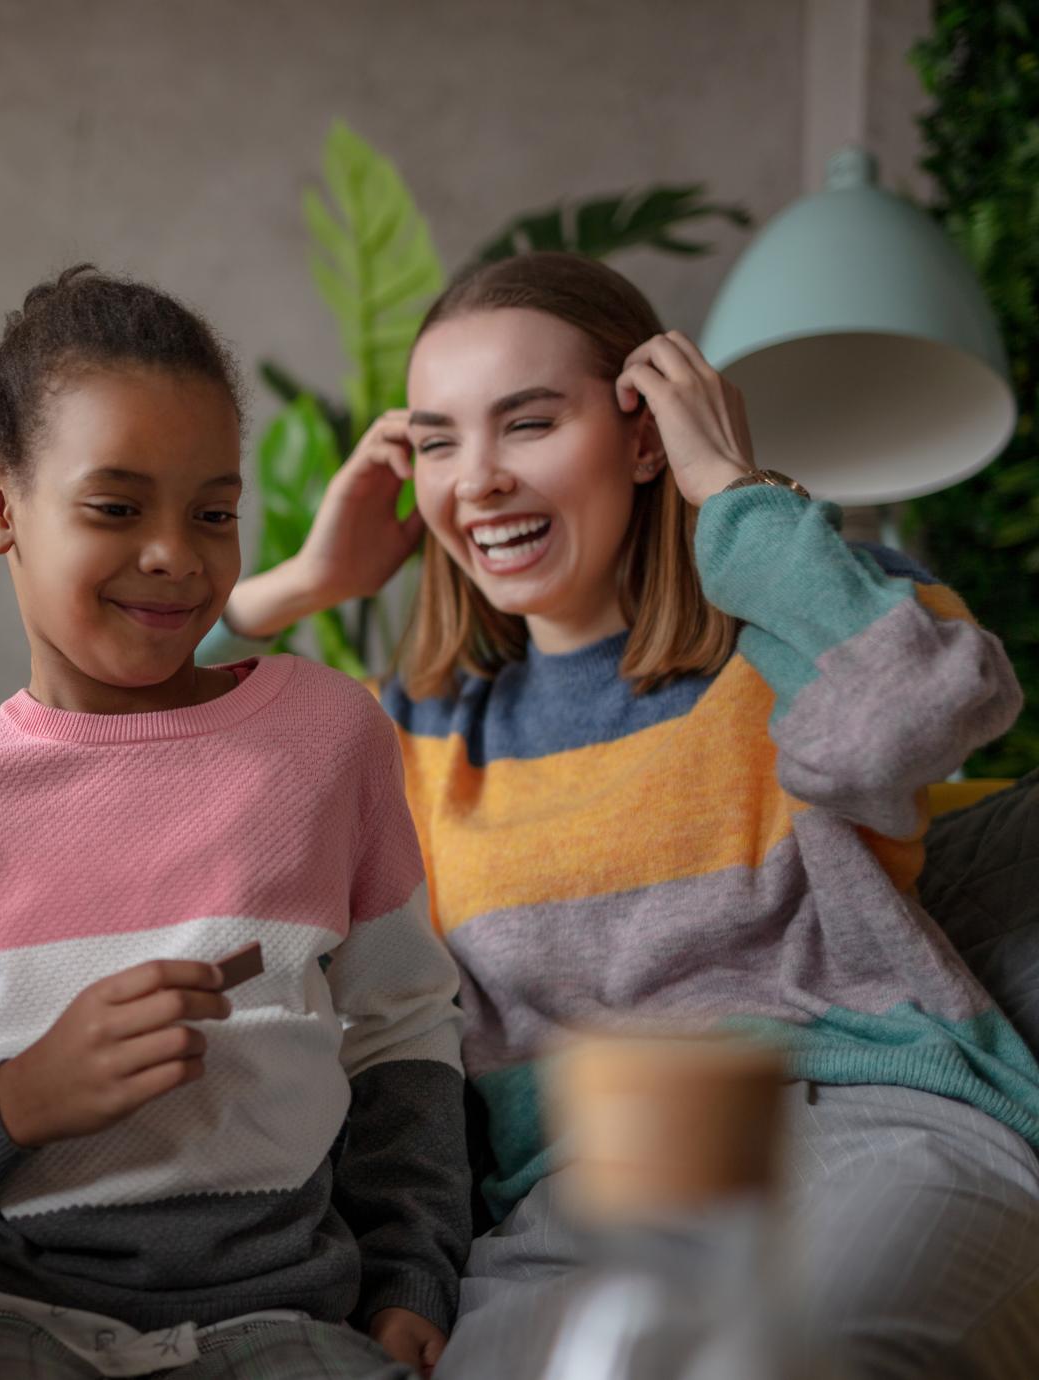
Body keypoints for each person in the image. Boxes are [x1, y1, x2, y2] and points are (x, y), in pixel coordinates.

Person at [202, 251, 1039, 1377]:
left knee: (819, 1355)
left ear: (644, 434)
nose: (478, 478)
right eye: (439, 441)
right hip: (571, 1202)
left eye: (528, 423)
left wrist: (734, 495)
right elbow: (160, 750)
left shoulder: (791, 629)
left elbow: (920, 706)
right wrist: (295, 586)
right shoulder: (412, 735)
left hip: (858, 1127)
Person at [0, 265, 468, 1380]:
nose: (175, 553)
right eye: (115, 508)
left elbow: (403, 1036)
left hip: (274, 1323)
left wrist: (411, 1272)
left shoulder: (325, 739)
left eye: (213, 512)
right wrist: (13, 1103)